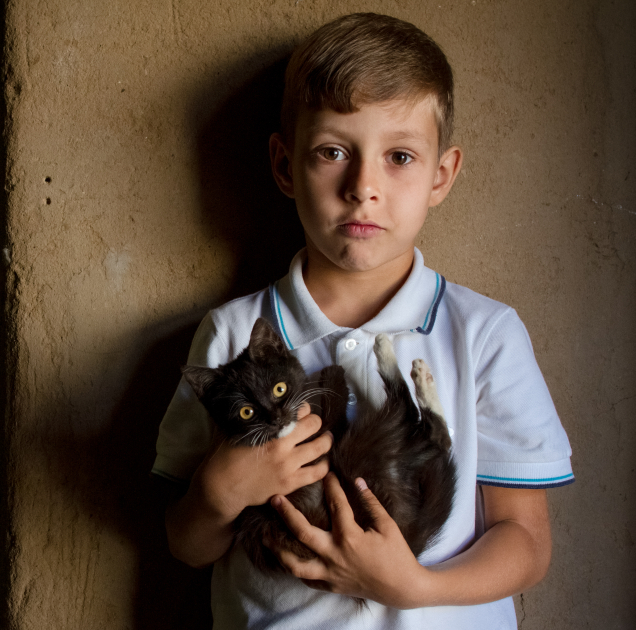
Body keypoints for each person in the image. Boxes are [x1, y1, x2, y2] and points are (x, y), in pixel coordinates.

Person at [152, 13, 574, 629]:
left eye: (399, 156)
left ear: (442, 174)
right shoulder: (234, 333)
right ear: (284, 165)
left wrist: (415, 587)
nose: (363, 187)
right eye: (332, 152)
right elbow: (186, 545)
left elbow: (527, 543)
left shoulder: (483, 333)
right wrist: (218, 494)